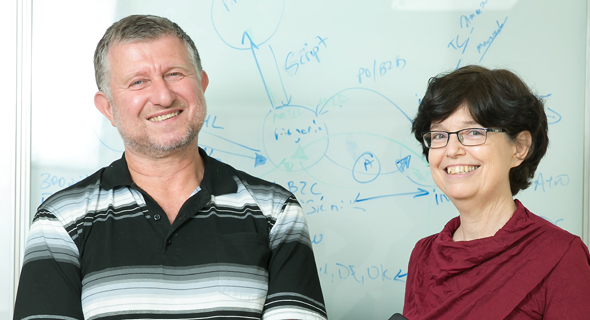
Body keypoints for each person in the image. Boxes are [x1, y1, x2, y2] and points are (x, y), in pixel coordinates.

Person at [14, 15, 327, 320]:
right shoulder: (61, 221)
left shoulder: (276, 211)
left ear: (201, 84)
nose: (163, 96)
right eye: (138, 82)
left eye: (175, 74)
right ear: (108, 107)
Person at [403, 65, 590, 319]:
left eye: (473, 132)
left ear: (519, 148)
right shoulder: (422, 255)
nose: (451, 150)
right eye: (439, 135)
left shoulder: (561, 256)